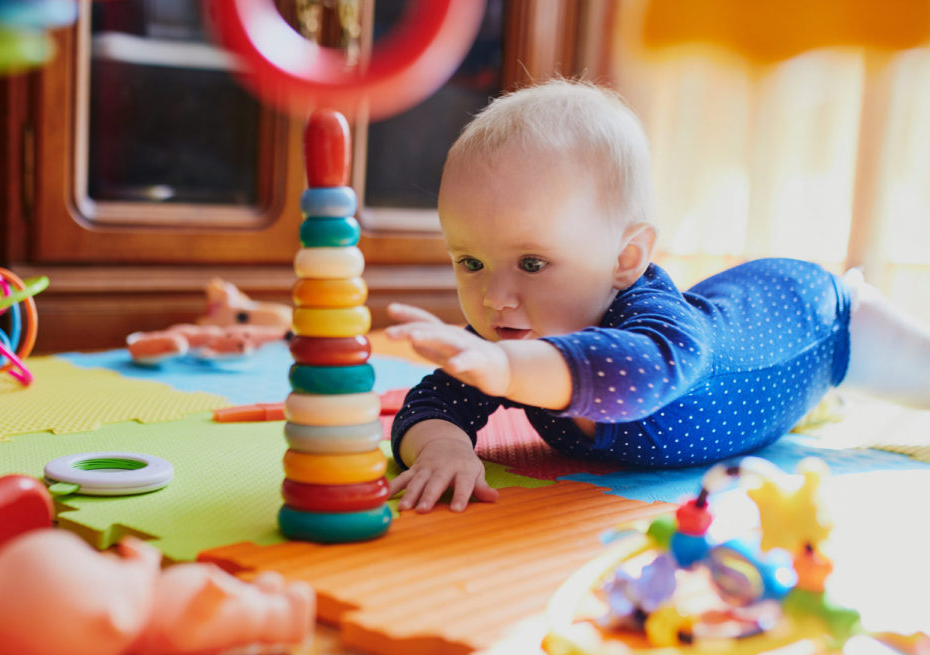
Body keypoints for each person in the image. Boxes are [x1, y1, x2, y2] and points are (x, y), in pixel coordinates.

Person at [386, 77, 930, 514]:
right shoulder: (513, 338)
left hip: (821, 318)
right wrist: (445, 447)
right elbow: (433, 402)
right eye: (471, 262)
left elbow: (638, 376)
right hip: (736, 317)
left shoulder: (657, 332)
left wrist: (504, 367)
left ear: (625, 260)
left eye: (532, 263)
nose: (495, 297)